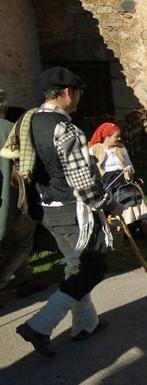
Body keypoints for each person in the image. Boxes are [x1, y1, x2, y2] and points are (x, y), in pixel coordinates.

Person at [15, 67, 123, 357]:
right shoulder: (65, 128)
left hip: (46, 208)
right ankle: (40, 326)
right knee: (94, 266)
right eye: (77, 93)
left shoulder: (29, 120)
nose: (78, 99)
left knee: (76, 267)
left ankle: (85, 324)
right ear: (66, 93)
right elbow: (84, 184)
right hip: (72, 211)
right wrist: (111, 205)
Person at [0, 89, 39, 302]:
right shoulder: (11, 130)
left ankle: (26, 280)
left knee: (11, 243)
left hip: (7, 201)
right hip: (15, 200)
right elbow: (29, 165)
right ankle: (2, 281)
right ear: (4, 108)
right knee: (22, 243)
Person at [88, 122, 147, 231]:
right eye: (116, 136)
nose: (119, 138)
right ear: (107, 137)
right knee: (124, 193)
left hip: (122, 177)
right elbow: (90, 170)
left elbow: (129, 165)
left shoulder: (121, 149)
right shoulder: (94, 149)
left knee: (135, 191)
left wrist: (128, 170)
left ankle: (138, 222)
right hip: (105, 181)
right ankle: (125, 224)